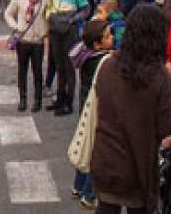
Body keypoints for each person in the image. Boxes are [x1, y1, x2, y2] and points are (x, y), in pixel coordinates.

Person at [90, 4, 171, 214]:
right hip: (139, 165)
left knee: (106, 208)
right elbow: (165, 128)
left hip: (106, 159)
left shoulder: (107, 66)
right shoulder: (159, 76)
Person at [72, 19, 114, 208]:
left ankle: (78, 186)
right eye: (107, 36)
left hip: (85, 108)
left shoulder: (86, 55)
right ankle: (89, 194)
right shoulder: (102, 61)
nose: (112, 38)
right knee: (95, 153)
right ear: (97, 45)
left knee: (85, 146)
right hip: (97, 112)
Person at [45, 0, 90, 115]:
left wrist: (72, 20)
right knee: (59, 66)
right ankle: (60, 99)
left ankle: (69, 103)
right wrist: (54, 19)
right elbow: (48, 9)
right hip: (56, 32)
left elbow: (86, 9)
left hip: (70, 32)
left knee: (69, 67)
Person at [3, 0, 49, 111]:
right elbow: (8, 14)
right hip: (23, 41)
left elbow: (49, 18)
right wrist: (16, 26)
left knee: (37, 71)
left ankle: (38, 101)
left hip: (38, 42)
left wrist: (45, 32)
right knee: (22, 71)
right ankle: (22, 99)